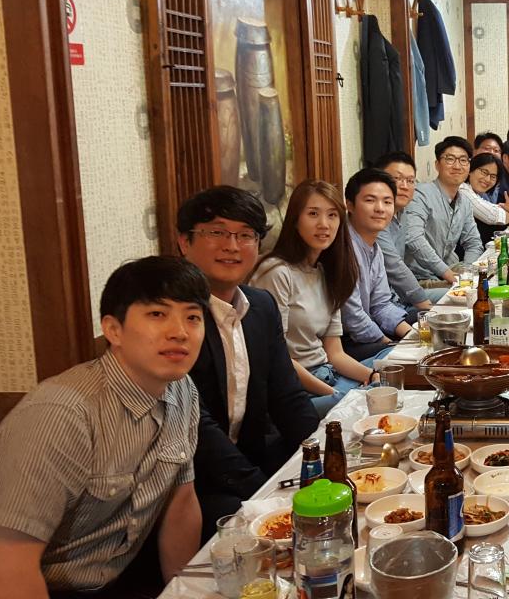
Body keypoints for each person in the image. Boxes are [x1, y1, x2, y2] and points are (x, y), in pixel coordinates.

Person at [0, 257, 206, 598]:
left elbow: (180, 503)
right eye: (157, 314)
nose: (179, 332)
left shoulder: (182, 390)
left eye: (192, 317)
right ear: (113, 330)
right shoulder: (60, 415)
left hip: (110, 578)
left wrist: (186, 592)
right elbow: (5, 577)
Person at [176, 186, 320, 540]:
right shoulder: (177, 319)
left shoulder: (260, 306)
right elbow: (198, 428)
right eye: (216, 232)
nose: (232, 246)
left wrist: (322, 458)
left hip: (254, 459)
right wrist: (262, 494)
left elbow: (288, 397)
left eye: (245, 235)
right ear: (184, 242)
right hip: (192, 484)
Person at [251, 179, 380, 416]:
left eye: (332, 215)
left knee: (392, 366)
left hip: (329, 373)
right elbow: (278, 359)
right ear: (295, 220)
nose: (324, 224)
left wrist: (374, 377)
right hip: (299, 388)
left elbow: (335, 353)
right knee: (366, 406)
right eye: (313, 214)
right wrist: (338, 397)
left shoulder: (325, 271)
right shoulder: (277, 272)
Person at [341, 168, 415, 360]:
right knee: (403, 356)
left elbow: (381, 305)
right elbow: (352, 318)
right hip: (344, 342)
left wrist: (413, 336)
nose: (380, 208)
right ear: (350, 205)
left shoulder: (374, 247)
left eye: (387, 202)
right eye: (370, 200)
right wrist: (390, 343)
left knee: (427, 321)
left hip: (368, 328)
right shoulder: (342, 248)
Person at [401, 136, 485, 301]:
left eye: (463, 160)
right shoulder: (420, 195)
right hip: (419, 278)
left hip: (450, 272)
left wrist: (467, 271)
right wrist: (446, 272)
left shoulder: (465, 202)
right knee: (475, 297)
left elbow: (474, 243)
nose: (457, 166)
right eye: (450, 159)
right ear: (437, 164)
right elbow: (414, 238)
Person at [373, 152, 433, 325]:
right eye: (397, 179)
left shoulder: (402, 212)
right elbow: (395, 266)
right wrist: (427, 308)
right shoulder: (376, 220)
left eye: (410, 180)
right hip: (386, 308)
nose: (404, 186)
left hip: (399, 298)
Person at [464, 152, 509, 244]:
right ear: (470, 170)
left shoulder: (476, 193)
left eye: (493, 176)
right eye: (484, 172)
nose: (487, 179)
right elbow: (492, 216)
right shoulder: (463, 190)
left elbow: (491, 208)